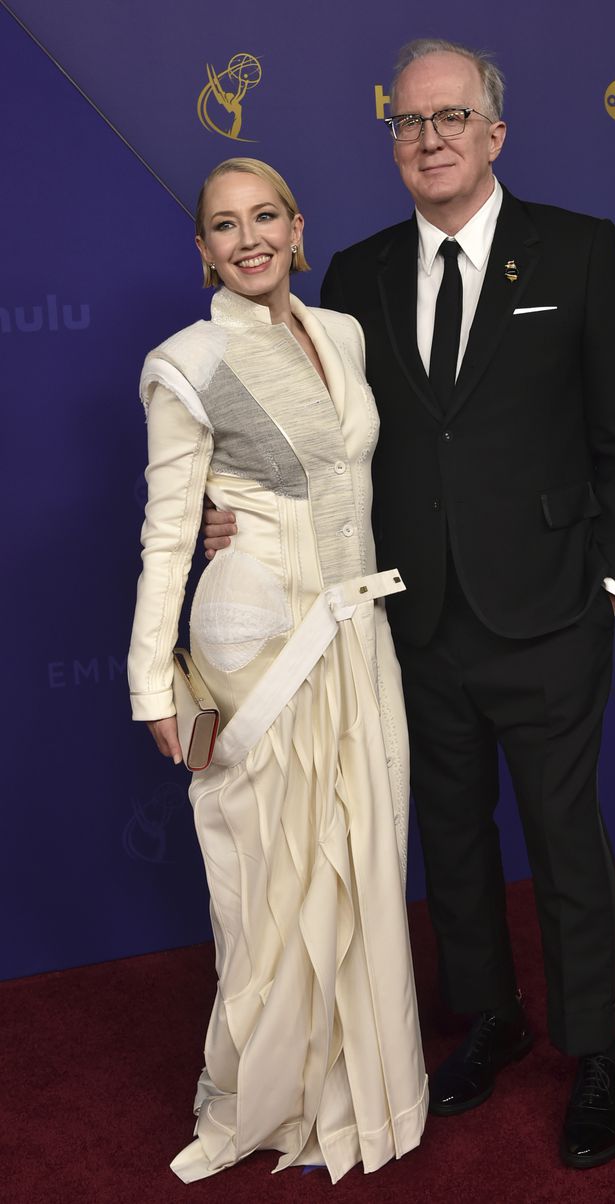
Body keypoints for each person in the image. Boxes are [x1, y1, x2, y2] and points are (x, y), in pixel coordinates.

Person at [205, 39, 615, 1170]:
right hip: (415, 616)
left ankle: (593, 1051)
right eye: (408, 123)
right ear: (391, 141)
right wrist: (235, 514)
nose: (430, 138)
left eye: (451, 118)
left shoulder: (582, 251)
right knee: (447, 838)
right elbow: (315, 442)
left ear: (493, 133)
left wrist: (611, 577)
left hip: (551, 610)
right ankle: (489, 1018)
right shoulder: (351, 275)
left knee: (563, 841)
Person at [128, 156, 427, 1184]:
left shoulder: (339, 333)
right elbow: (168, 534)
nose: (248, 238)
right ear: (201, 248)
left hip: (355, 632)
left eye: (265, 218)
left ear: (298, 229)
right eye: (224, 225)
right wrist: (151, 684)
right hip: (256, 638)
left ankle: (356, 1084)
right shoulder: (186, 360)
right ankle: (266, 1094)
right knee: (267, 877)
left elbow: (349, 478)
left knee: (359, 855)